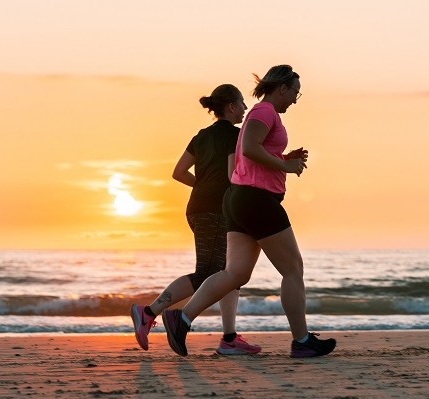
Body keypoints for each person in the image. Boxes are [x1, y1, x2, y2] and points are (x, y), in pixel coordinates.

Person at [162, 65, 337, 358]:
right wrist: (285, 166)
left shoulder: (259, 114)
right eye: (296, 91)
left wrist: (282, 157)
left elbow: (252, 155)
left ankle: (181, 318)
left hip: (240, 199)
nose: (296, 98)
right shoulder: (264, 112)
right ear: (282, 88)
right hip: (257, 200)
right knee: (293, 269)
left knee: (235, 273)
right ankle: (302, 340)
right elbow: (249, 149)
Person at [130, 84, 261, 355]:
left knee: (229, 272)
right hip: (215, 210)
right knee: (208, 272)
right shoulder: (235, 136)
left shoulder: (200, 136)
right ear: (231, 106)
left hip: (200, 207)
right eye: (242, 103)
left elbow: (178, 172)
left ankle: (229, 338)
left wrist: (202, 186)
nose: (246, 109)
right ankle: (149, 311)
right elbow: (230, 176)